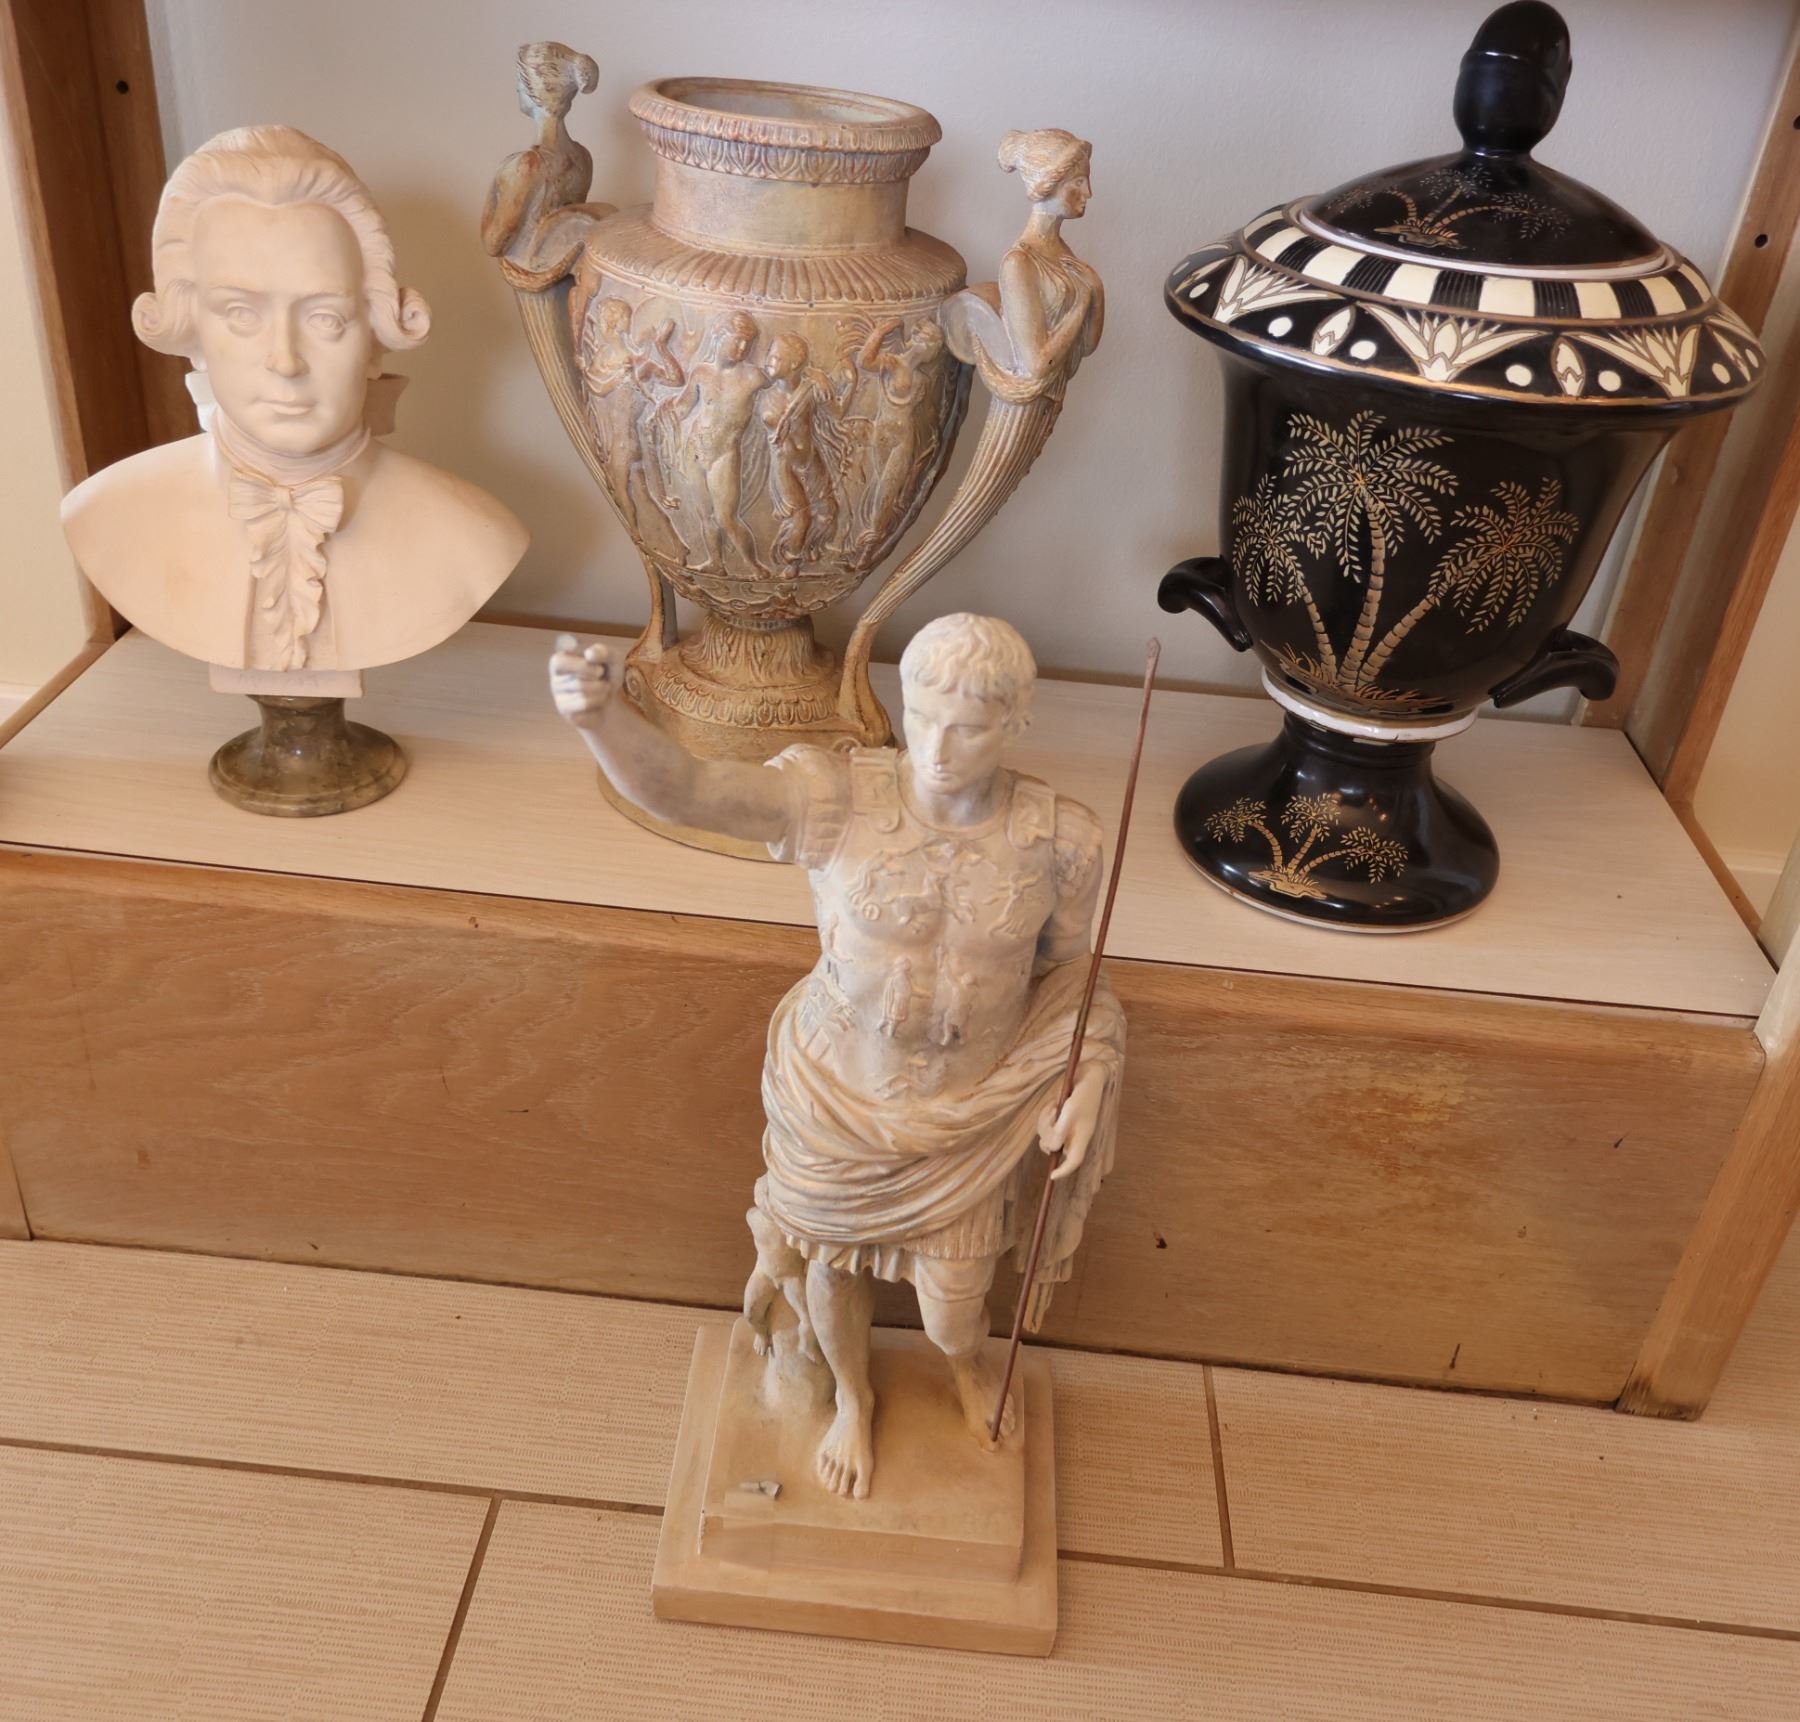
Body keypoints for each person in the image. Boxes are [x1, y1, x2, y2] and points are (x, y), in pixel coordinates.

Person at [550, 613, 1125, 1500]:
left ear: (1017, 722)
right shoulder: (835, 798)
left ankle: (965, 1365)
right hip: (835, 1097)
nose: (937, 748)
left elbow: (1071, 979)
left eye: (969, 728)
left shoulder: (1061, 841)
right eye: (921, 716)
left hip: (965, 1114)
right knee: (830, 1274)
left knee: (955, 1312)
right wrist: (600, 719)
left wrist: (1088, 1073)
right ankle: (852, 1399)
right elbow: (691, 790)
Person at [63, 126, 524, 673]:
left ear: (375, 335)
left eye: (324, 318)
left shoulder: (474, 535)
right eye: (241, 314)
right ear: (192, 332)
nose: (285, 361)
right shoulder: (107, 514)